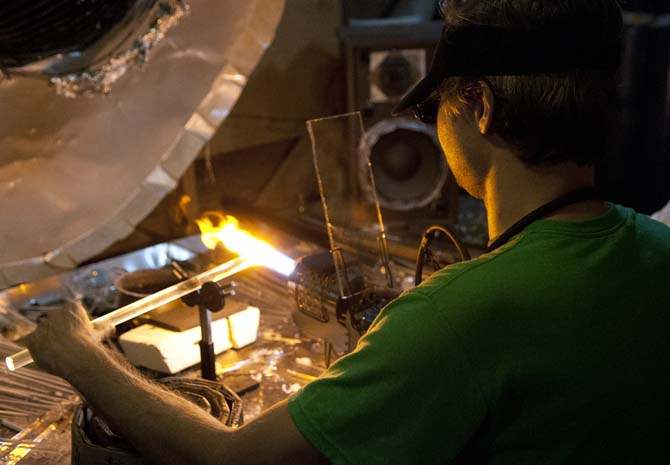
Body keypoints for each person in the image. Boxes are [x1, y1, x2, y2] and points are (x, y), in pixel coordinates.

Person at [25, 0, 670, 464]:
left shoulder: (456, 318)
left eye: (436, 103)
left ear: (479, 105)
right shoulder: (656, 247)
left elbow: (232, 460)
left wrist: (83, 354)